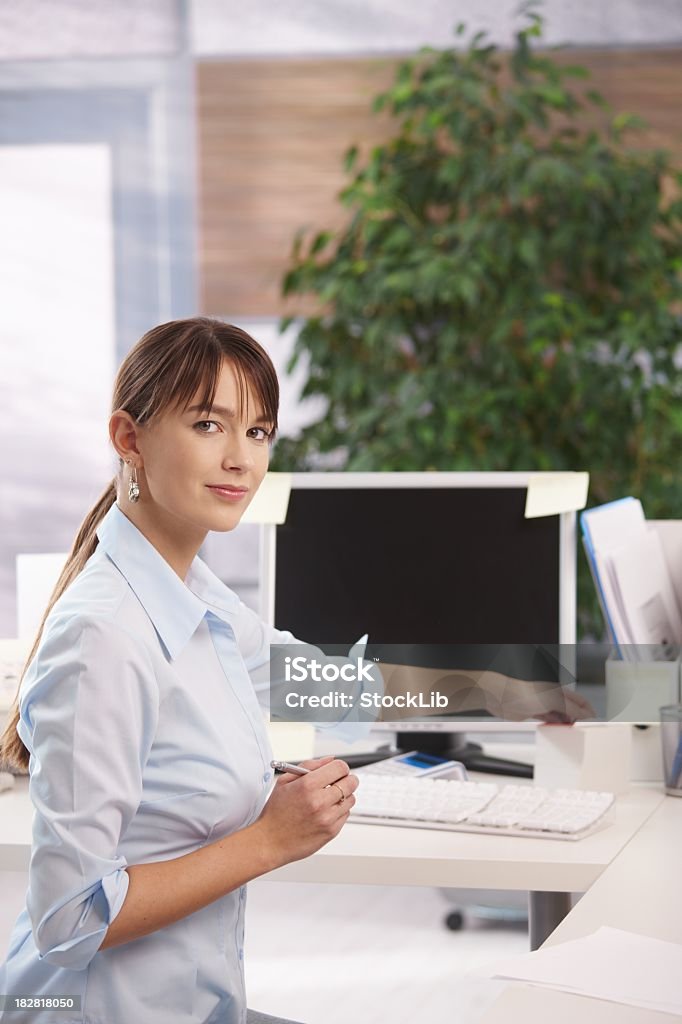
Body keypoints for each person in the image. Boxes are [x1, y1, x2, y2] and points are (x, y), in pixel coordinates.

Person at [0, 316, 592, 1024]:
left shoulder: (198, 600)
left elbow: (338, 687)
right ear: (130, 438)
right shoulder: (103, 635)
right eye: (208, 425)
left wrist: (496, 689)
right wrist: (270, 839)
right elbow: (68, 921)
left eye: (258, 433)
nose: (241, 459)